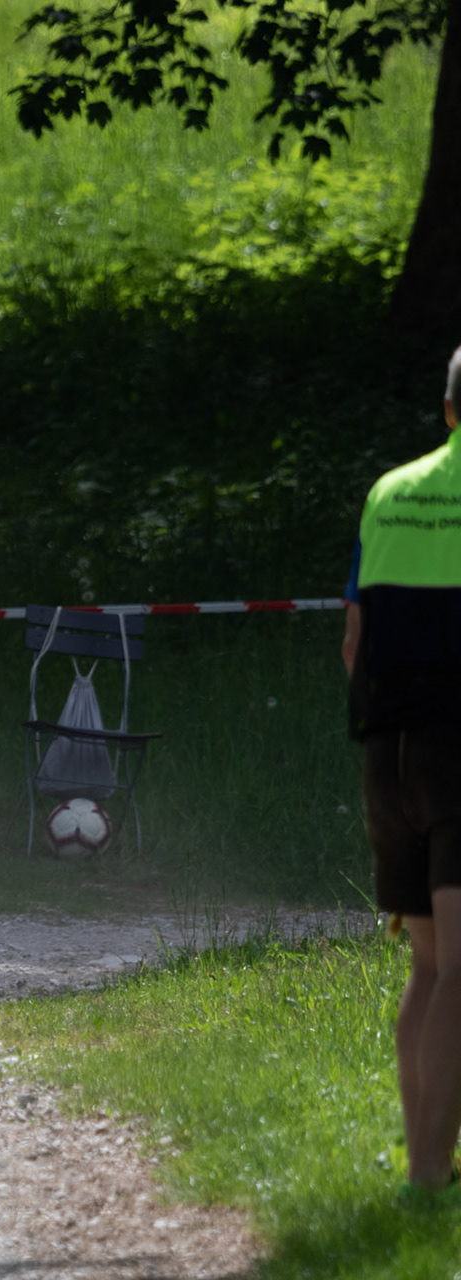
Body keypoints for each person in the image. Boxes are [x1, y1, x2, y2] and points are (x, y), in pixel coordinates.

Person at [343, 342, 461, 1200]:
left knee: (429, 968)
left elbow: (356, 646)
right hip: (460, 752)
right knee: (460, 972)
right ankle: (428, 1178)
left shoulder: (390, 491)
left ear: (449, 410)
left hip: (389, 755)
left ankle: (424, 1170)